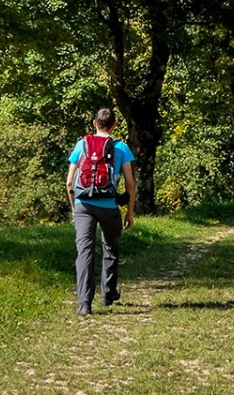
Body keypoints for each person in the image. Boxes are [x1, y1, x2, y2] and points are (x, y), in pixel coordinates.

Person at [66, 107, 136, 316]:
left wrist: (74, 209)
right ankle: (108, 293)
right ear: (114, 125)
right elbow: (130, 184)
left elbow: (70, 182)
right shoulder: (121, 147)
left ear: (95, 123)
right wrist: (129, 213)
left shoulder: (82, 145)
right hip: (108, 205)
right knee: (111, 246)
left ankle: (84, 305)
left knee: (84, 252)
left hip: (83, 205)